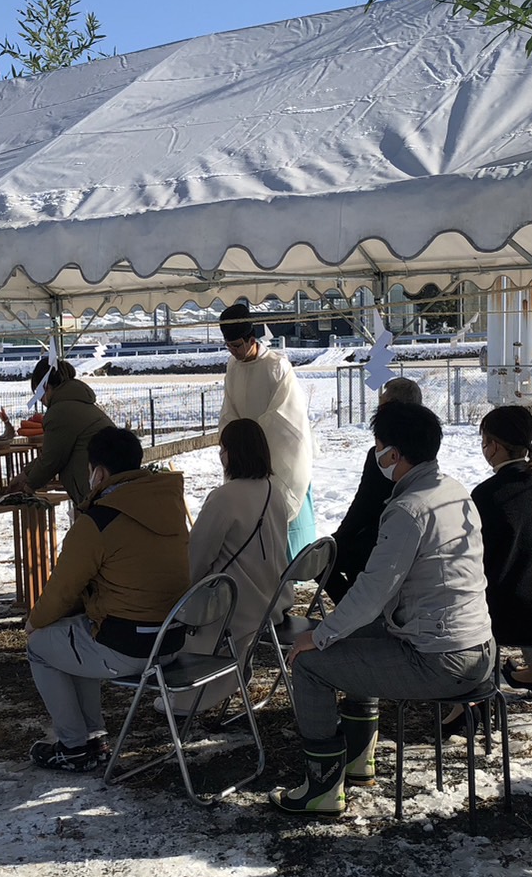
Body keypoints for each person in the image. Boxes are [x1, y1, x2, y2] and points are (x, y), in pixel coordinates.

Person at [271, 402, 494, 816]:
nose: (377, 457)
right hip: (476, 645)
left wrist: (316, 636)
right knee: (350, 633)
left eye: (378, 447)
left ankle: (321, 786)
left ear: (393, 454)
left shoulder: (409, 510)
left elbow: (373, 589)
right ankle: (357, 759)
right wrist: (334, 631)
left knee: (309, 663)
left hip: (438, 658)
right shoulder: (453, 489)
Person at [24, 427, 192, 771]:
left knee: (41, 645)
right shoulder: (170, 506)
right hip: (171, 638)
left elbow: (62, 589)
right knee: (80, 630)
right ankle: (93, 737)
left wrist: (34, 622)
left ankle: (72, 747)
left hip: (128, 648)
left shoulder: (99, 520)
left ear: (98, 473)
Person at [177, 417, 290, 713]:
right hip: (273, 600)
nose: (220, 454)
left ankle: (188, 695)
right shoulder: (273, 491)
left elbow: (197, 558)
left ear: (233, 453)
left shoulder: (224, 498)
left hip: (235, 608)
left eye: (223, 448)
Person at [470, 405, 532, 697]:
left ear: (496, 447)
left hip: (506, 618)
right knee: (527, 574)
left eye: (485, 441)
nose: (484, 448)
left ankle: (468, 698)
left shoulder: (488, 495)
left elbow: (476, 560)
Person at [218, 304, 316, 558]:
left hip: (276, 456)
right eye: (228, 347)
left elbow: (286, 418)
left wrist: (249, 438)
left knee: (282, 523)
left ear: (252, 339)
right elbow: (229, 410)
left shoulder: (277, 367)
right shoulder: (232, 367)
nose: (233, 352)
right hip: (244, 458)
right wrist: (233, 438)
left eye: (237, 346)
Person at [325, 376, 424, 603]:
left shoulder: (383, 457)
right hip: (409, 542)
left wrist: (337, 538)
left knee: (326, 560)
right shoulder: (422, 449)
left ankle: (352, 614)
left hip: (379, 540)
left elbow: (365, 504)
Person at [5, 357, 114, 507]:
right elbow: (55, 452)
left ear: (46, 387)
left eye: (38, 394)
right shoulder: (80, 403)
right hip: (110, 484)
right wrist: (26, 473)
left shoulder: (59, 412)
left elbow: (52, 459)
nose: (41, 401)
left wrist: (28, 486)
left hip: (95, 486)